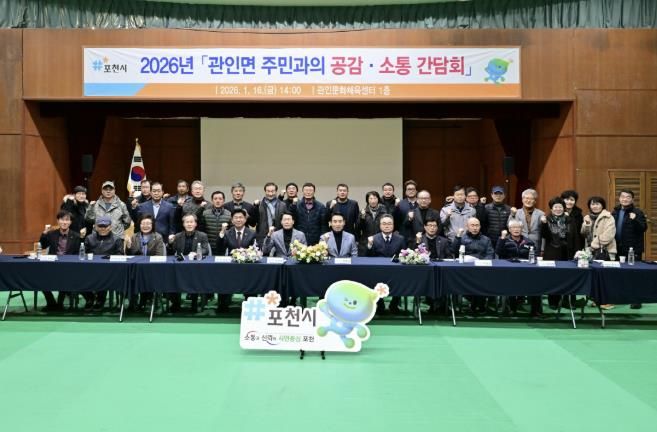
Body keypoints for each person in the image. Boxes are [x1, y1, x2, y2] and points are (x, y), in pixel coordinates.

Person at [38, 210, 82, 311]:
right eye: (62, 219)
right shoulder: (51, 234)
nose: (64, 222)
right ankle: (51, 302)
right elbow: (42, 246)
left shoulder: (76, 236)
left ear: (70, 222)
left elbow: (77, 254)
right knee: (39, 279)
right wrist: (44, 233)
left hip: (68, 267)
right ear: (58, 221)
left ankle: (60, 303)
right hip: (52, 266)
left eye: (67, 220)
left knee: (65, 277)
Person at [612, 189, 648, 309]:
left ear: (632, 199)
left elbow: (643, 228)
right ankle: (621, 297)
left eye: (628, 197)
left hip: (633, 249)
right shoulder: (615, 212)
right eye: (623, 197)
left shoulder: (637, 212)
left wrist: (635, 219)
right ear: (619, 198)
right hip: (618, 248)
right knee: (619, 273)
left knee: (634, 274)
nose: (625, 199)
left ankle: (636, 300)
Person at [496, 220, 540, 315]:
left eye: (518, 227)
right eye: (514, 227)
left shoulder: (528, 241)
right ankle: (511, 308)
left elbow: (535, 255)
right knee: (510, 283)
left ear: (521, 229)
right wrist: (502, 238)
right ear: (509, 229)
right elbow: (498, 252)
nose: (516, 229)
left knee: (537, 283)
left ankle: (536, 310)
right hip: (509, 271)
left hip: (525, 271)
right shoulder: (504, 240)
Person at [451, 217, 494, 315]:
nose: (475, 228)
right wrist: (457, 237)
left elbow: (490, 254)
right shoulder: (462, 238)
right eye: (472, 225)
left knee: (482, 281)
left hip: (481, 269)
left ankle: (477, 305)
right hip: (465, 270)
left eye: (477, 225)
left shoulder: (486, 239)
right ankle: (475, 304)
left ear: (480, 227)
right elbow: (453, 251)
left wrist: (483, 263)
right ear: (467, 227)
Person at [216, 209, 257, 311]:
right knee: (223, 278)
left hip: (247, 266)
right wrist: (222, 233)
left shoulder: (252, 233)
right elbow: (220, 248)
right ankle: (223, 304)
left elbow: (256, 249)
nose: (238, 220)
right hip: (231, 266)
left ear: (245, 219)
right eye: (236, 218)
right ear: (232, 220)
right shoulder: (227, 233)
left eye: (241, 217)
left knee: (252, 279)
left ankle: (250, 304)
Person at [541, 197, 578, 309]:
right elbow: (544, 235)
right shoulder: (546, 219)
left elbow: (575, 236)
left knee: (569, 277)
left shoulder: (569, 219)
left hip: (568, 252)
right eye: (555, 207)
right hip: (552, 252)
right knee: (554, 278)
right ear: (551, 209)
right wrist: (544, 224)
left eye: (560, 207)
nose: (558, 209)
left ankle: (569, 302)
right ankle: (553, 302)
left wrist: (577, 251)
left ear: (564, 208)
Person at [170, 213, 211, 312]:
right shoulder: (178, 236)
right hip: (181, 266)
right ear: (183, 224)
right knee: (173, 275)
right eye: (187, 222)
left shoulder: (202, 235)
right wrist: (170, 243)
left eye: (191, 222)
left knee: (195, 277)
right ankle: (176, 303)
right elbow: (172, 251)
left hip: (196, 266)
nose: (189, 224)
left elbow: (206, 250)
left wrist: (197, 253)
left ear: (195, 224)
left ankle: (194, 303)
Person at [582, 196, 617, 310]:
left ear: (602, 205)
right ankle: (596, 299)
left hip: (605, 250)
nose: (595, 206)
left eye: (597, 204)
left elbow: (609, 235)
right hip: (591, 252)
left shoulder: (608, 217)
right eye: (592, 204)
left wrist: (593, 246)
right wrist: (586, 225)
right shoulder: (587, 217)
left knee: (606, 277)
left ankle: (607, 301)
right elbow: (583, 233)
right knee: (594, 277)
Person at [366, 214, 406, 314]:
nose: (387, 226)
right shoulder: (374, 238)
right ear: (380, 225)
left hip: (396, 271)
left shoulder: (400, 239)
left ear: (393, 225)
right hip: (378, 271)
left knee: (402, 278)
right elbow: (368, 257)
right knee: (372, 278)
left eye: (389, 223)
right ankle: (380, 305)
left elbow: (404, 255)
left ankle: (394, 305)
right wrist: (369, 245)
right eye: (384, 224)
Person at [83, 216, 124, 311]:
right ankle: (89, 297)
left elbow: (120, 254)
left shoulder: (116, 239)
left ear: (110, 227)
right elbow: (83, 253)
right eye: (100, 226)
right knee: (78, 275)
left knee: (103, 276)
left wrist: (109, 258)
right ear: (95, 227)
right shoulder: (89, 238)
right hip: (90, 268)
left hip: (109, 269)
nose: (103, 228)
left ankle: (100, 299)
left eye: (105, 226)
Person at [415, 217, 450, 314]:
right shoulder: (419, 239)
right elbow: (413, 255)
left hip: (440, 270)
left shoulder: (443, 241)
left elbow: (449, 256)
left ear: (437, 228)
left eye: (434, 226)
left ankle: (438, 305)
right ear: (425, 227)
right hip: (424, 271)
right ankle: (435, 305)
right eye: (430, 225)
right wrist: (417, 242)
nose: (432, 228)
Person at [134, 182, 176, 249]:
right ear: (150, 192)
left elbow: (172, 225)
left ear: (162, 192)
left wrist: (170, 238)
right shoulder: (142, 206)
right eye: (154, 191)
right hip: (146, 239)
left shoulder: (169, 206)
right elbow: (138, 223)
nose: (156, 193)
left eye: (158, 191)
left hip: (164, 240)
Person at [198, 191, 232, 256]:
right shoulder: (205, 213)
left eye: (220, 199)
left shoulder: (229, 214)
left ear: (223, 200)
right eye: (215, 199)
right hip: (209, 246)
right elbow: (201, 230)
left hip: (223, 247)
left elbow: (231, 231)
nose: (217, 201)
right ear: (212, 200)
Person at [357, 191, 387, 256]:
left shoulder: (384, 211)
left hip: (380, 241)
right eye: (370, 198)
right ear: (367, 200)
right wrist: (362, 218)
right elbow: (358, 228)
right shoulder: (363, 212)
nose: (373, 201)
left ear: (378, 199)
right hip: (366, 242)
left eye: (375, 198)